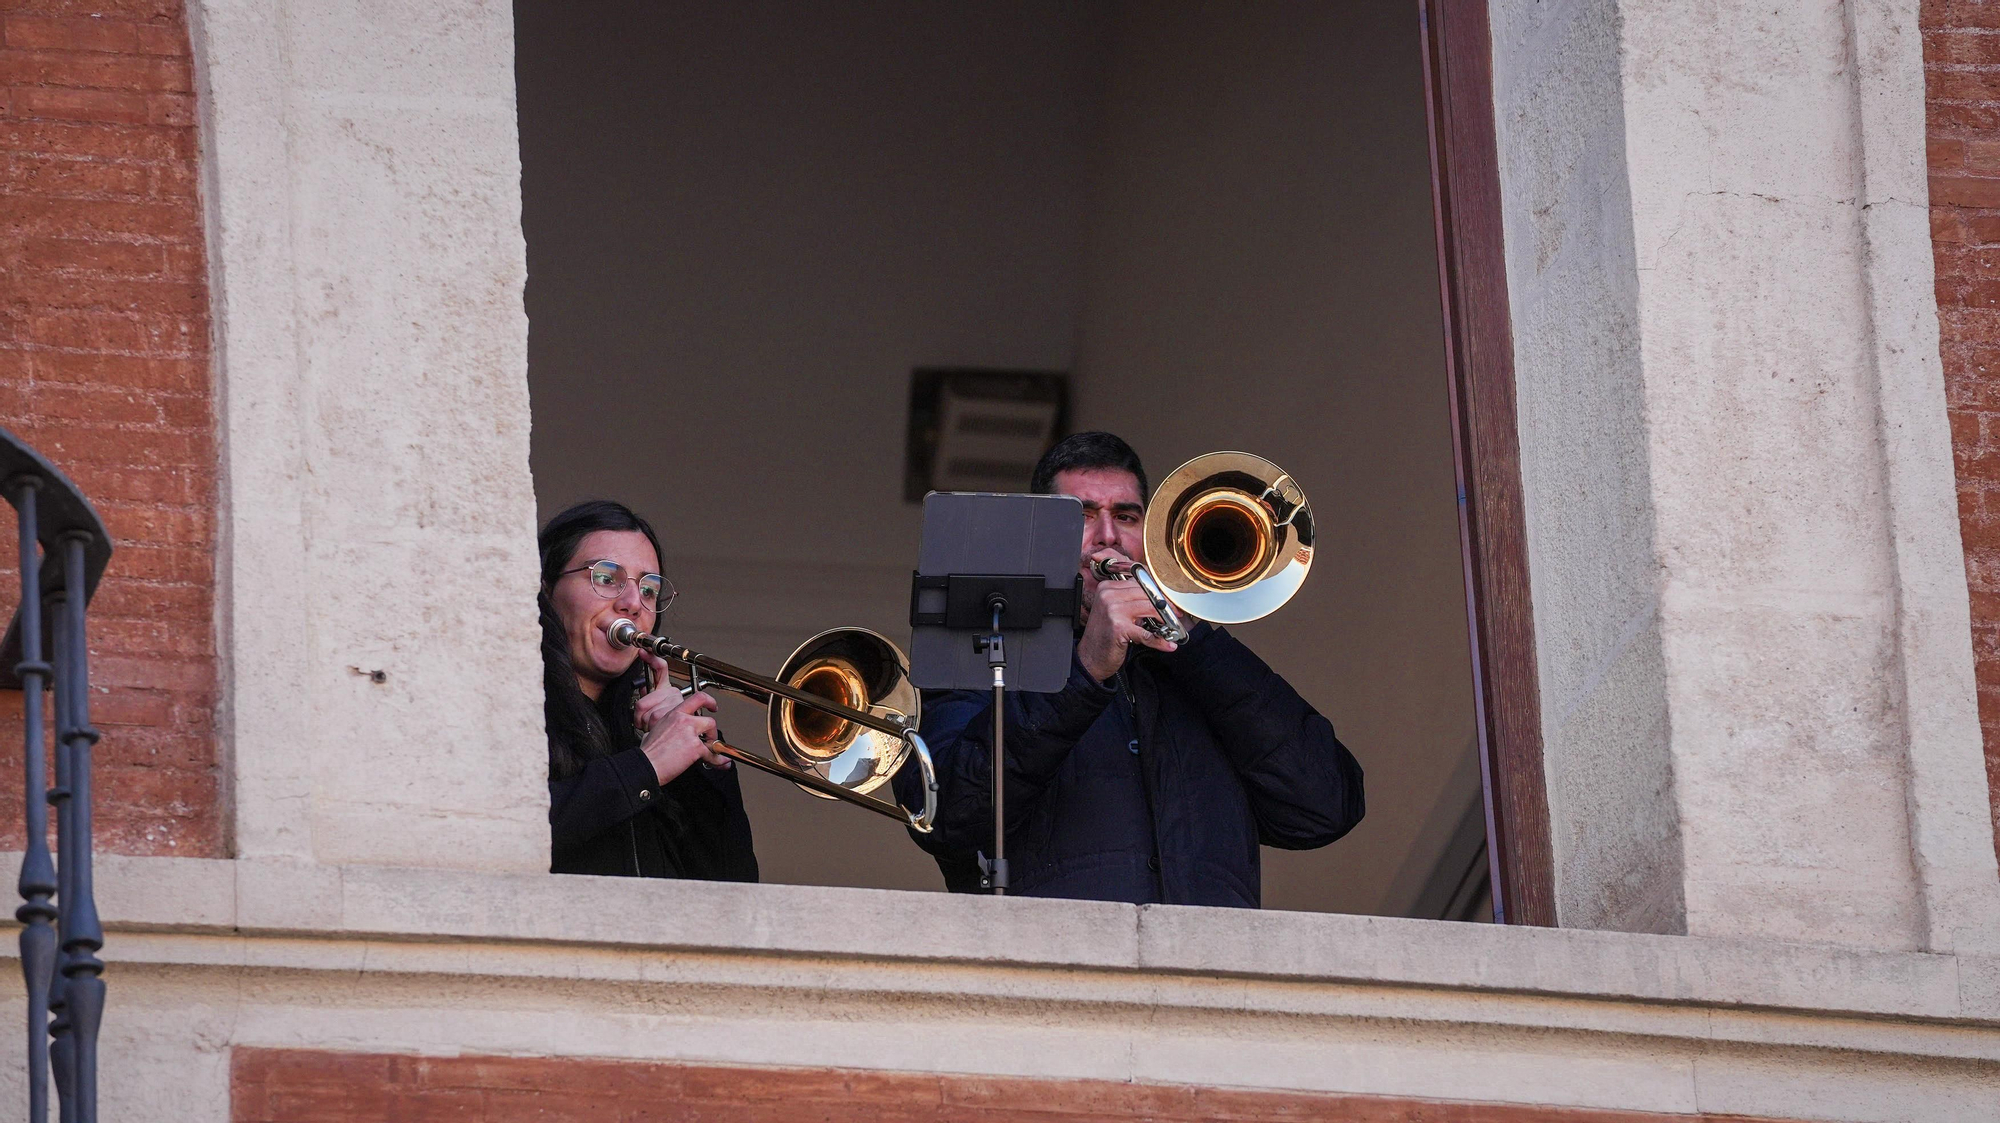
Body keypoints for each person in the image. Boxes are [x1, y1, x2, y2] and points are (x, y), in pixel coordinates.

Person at [897, 432, 1362, 907]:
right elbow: (943, 816)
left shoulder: (1201, 672)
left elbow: (1324, 807)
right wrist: (1085, 671)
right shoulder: (984, 657)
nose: (1107, 536)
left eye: (1126, 516)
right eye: (1080, 514)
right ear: (1038, 538)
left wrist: (1195, 641)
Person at [540, 499, 758, 880]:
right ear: (545, 588)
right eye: (606, 578)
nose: (633, 604)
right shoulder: (509, 708)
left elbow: (735, 889)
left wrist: (695, 763)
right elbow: (503, 837)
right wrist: (647, 766)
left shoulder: (648, 729)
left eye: (649, 589)